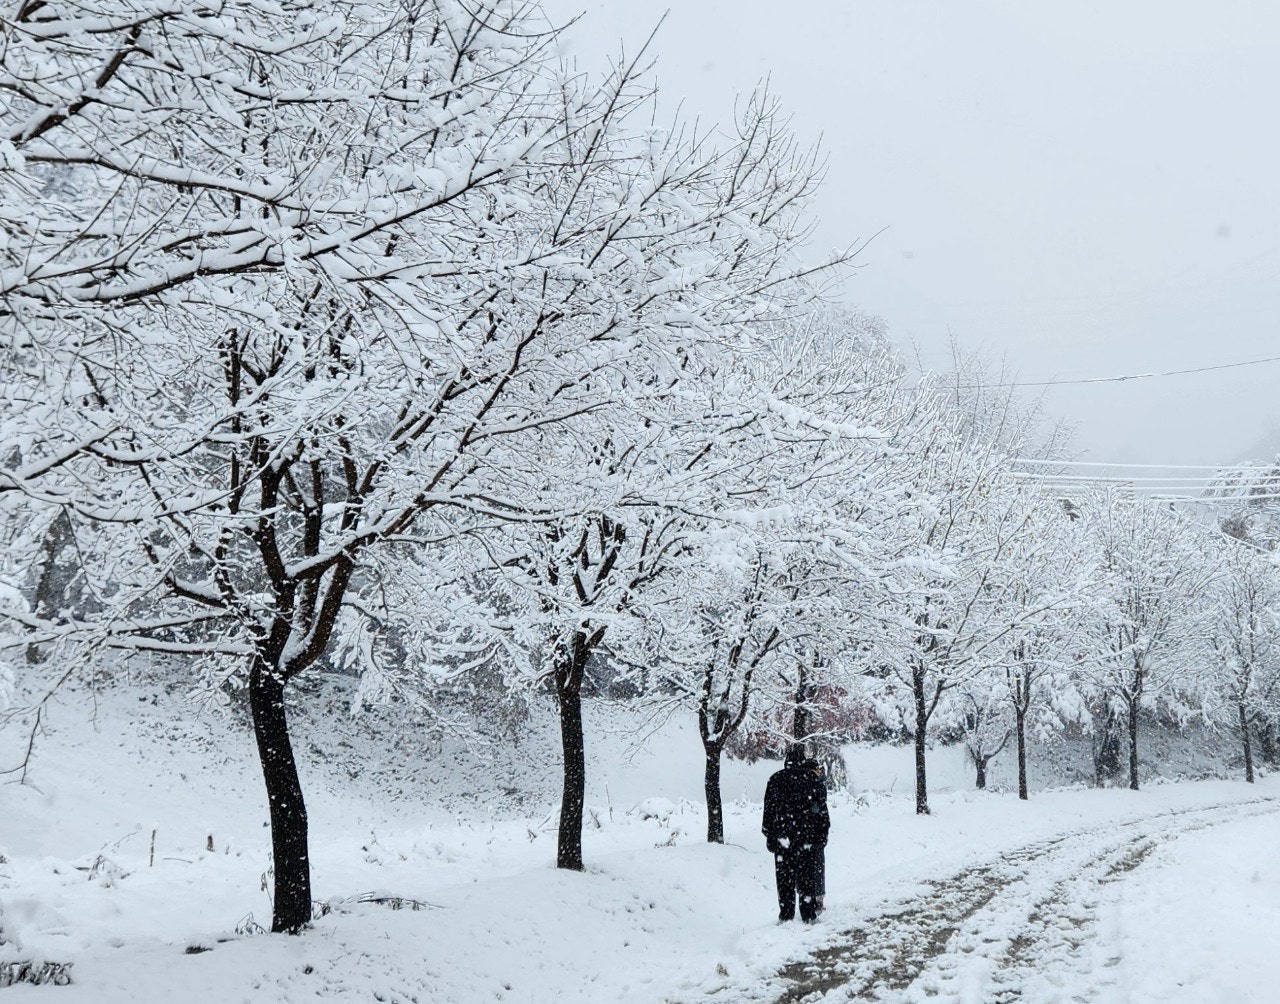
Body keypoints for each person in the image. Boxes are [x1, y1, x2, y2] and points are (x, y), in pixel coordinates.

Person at [761, 746, 829, 923]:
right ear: (802, 762)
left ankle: (786, 913)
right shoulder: (812, 780)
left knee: (784, 878)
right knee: (806, 875)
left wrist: (769, 833)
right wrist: (822, 834)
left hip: (782, 837)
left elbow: (768, 811)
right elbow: (821, 811)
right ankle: (808, 913)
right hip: (806, 838)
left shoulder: (775, 780)